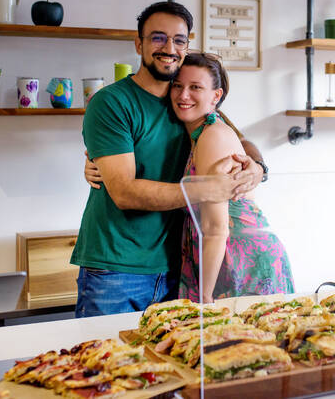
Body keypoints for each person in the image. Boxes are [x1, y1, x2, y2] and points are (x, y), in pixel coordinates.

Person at [73, 1, 265, 318]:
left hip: (178, 266)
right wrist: (206, 189)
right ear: (139, 44)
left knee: (170, 364)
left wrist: (258, 168)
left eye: (178, 40)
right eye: (158, 38)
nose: (169, 48)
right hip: (118, 268)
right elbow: (123, 192)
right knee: (109, 364)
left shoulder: (186, 102)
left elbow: (236, 138)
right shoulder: (111, 103)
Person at [85, 52, 294, 303]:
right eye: (178, 86)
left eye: (195, 87)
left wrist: (203, 298)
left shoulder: (212, 135)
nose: (184, 95)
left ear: (216, 96)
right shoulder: (192, 130)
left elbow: (216, 228)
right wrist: (99, 161)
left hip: (242, 262)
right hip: (216, 258)